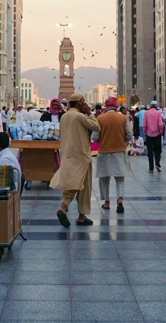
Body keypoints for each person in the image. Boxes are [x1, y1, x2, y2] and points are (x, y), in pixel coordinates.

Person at [49, 93, 100, 227]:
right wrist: (89, 112)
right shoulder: (80, 116)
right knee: (83, 185)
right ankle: (69, 209)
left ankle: (70, 209)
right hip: (82, 155)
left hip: (67, 153)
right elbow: (96, 127)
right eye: (83, 102)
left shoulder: (64, 116)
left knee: (73, 182)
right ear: (79, 103)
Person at [95, 97, 132, 214]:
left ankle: (106, 202)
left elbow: (94, 137)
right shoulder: (122, 117)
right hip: (119, 151)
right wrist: (122, 140)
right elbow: (130, 134)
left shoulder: (100, 118)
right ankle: (119, 199)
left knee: (104, 178)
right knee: (120, 178)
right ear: (116, 106)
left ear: (106, 106)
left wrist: (103, 139)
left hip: (104, 151)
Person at [143, 100, 165, 172]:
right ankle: (157, 164)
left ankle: (151, 168)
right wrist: (161, 132)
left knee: (150, 151)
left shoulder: (146, 113)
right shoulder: (158, 113)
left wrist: (146, 132)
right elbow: (160, 124)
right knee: (157, 150)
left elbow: (144, 125)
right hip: (157, 134)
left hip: (149, 134)